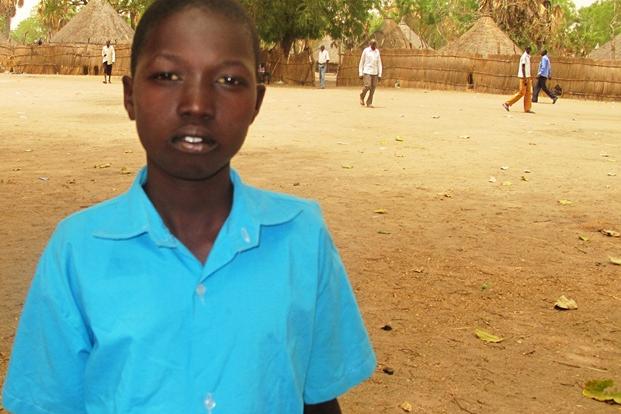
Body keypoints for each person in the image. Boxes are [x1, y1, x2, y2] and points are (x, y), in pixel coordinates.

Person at [1, 1, 376, 413]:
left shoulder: (301, 237)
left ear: (256, 102)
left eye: (229, 80)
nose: (196, 104)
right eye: (167, 76)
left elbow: (319, 402)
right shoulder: (77, 251)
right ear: (130, 96)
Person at [502, 46, 534, 113]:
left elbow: (527, 68)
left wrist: (529, 77)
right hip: (523, 77)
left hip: (528, 77)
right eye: (528, 49)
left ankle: (527, 108)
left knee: (528, 93)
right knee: (521, 92)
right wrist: (525, 78)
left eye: (529, 49)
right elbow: (523, 67)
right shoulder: (524, 57)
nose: (529, 50)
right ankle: (507, 103)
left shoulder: (528, 57)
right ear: (525, 49)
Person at [358, 39, 382, 108]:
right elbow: (361, 62)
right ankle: (362, 96)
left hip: (375, 72)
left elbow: (379, 63)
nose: (374, 45)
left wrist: (380, 74)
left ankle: (369, 102)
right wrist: (360, 73)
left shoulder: (377, 52)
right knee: (367, 86)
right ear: (370, 44)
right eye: (373, 44)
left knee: (373, 88)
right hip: (367, 71)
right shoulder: (366, 51)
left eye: (375, 44)